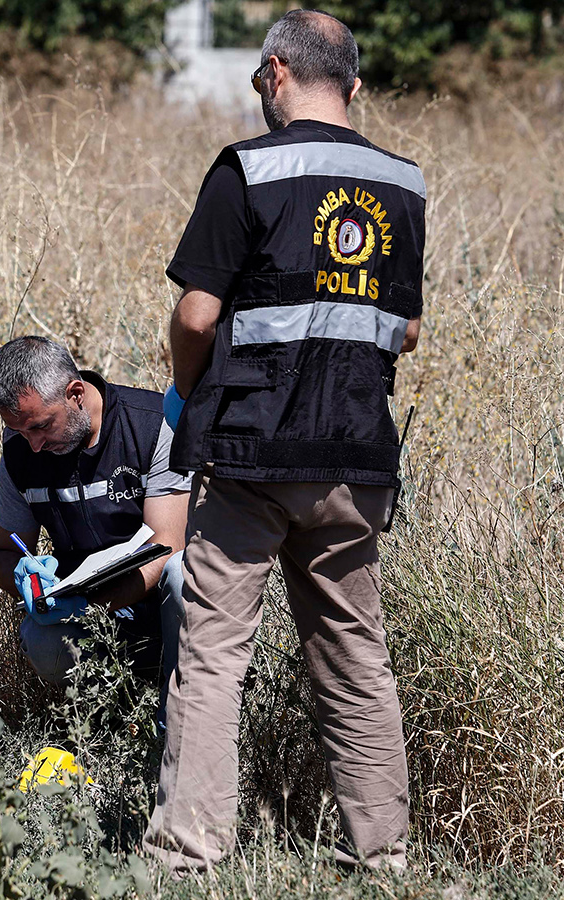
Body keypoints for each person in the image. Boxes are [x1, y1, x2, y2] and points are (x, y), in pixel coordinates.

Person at [145, 11, 426, 872]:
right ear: (354, 84)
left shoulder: (249, 169)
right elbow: (406, 330)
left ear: (274, 71)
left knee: (213, 656)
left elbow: (196, 315)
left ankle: (188, 854)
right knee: (355, 659)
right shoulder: (402, 182)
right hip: (354, 455)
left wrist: (191, 388)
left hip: (254, 453)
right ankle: (381, 856)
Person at [0, 336, 190, 704]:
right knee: (40, 637)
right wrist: (25, 580)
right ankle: (101, 716)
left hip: (161, 605)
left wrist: (95, 605)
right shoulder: (18, 455)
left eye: (42, 426)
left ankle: (181, 707)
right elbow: (3, 551)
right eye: (20, 431)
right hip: (86, 608)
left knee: (181, 575)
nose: (33, 445)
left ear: (76, 393)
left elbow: (167, 547)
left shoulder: (152, 426)